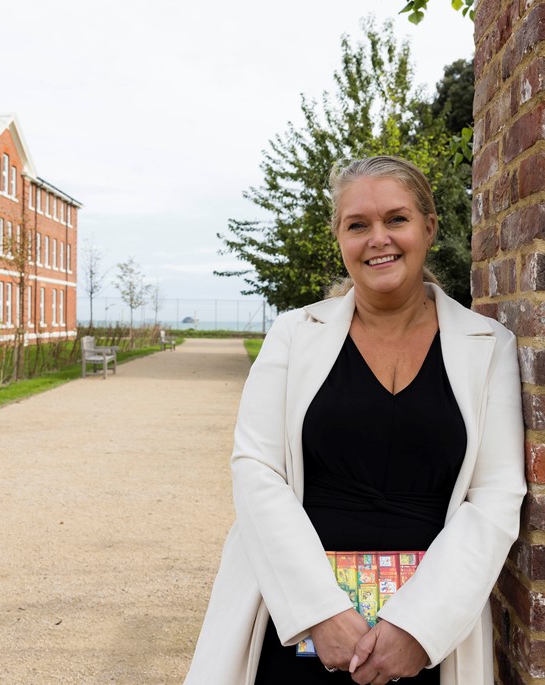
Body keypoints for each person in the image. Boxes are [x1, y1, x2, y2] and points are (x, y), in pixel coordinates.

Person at [185, 156, 526, 685]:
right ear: (339, 237)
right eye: (357, 225)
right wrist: (319, 612)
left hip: (429, 641)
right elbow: (256, 469)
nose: (378, 239)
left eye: (396, 219)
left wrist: (416, 628)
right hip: (297, 625)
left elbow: (496, 496)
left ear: (429, 228)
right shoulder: (293, 335)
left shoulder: (490, 348)